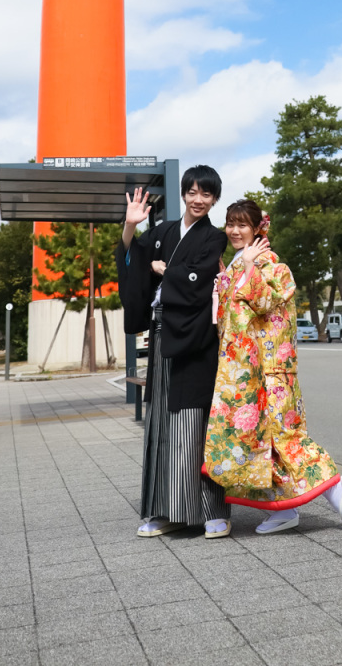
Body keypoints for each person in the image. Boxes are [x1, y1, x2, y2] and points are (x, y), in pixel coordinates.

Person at [204, 198, 342, 534]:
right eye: (230, 223)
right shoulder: (235, 266)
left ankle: (332, 484)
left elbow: (263, 302)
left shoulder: (271, 265)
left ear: (258, 228)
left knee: (284, 438)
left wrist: (248, 267)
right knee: (260, 443)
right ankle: (283, 510)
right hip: (245, 372)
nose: (234, 230)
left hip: (270, 371)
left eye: (242, 224)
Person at [116, 165, 232, 539]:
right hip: (163, 335)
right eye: (192, 192)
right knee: (162, 426)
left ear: (215, 199)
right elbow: (132, 259)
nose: (198, 200)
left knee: (196, 423)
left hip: (196, 341)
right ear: (183, 194)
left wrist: (164, 270)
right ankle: (167, 511)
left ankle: (214, 512)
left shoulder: (214, 237)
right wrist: (130, 226)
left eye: (207, 194)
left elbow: (200, 283)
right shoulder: (163, 231)